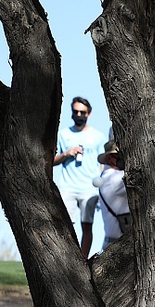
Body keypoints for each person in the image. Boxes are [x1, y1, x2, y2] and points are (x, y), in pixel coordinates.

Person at [53, 97, 108, 258]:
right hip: (67, 187)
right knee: (65, 225)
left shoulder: (97, 136)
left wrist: (101, 184)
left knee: (87, 225)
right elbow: (51, 161)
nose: (79, 115)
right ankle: (67, 258)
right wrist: (66, 154)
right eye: (76, 111)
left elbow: (103, 162)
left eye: (82, 112)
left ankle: (83, 260)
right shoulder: (63, 135)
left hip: (89, 188)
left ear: (88, 114)